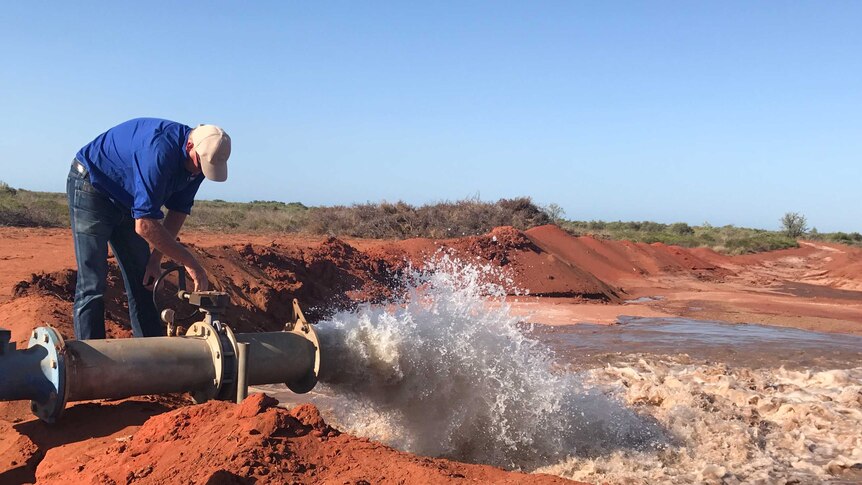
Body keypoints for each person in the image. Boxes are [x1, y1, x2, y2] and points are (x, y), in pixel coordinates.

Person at [67, 118, 231, 340]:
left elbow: (178, 212)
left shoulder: (198, 164)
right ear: (190, 146)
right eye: (200, 163)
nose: (201, 170)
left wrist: (155, 260)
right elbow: (144, 224)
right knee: (93, 284)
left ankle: (151, 359)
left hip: (129, 201)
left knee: (144, 280)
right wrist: (191, 263)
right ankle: (90, 362)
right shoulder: (159, 151)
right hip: (93, 186)